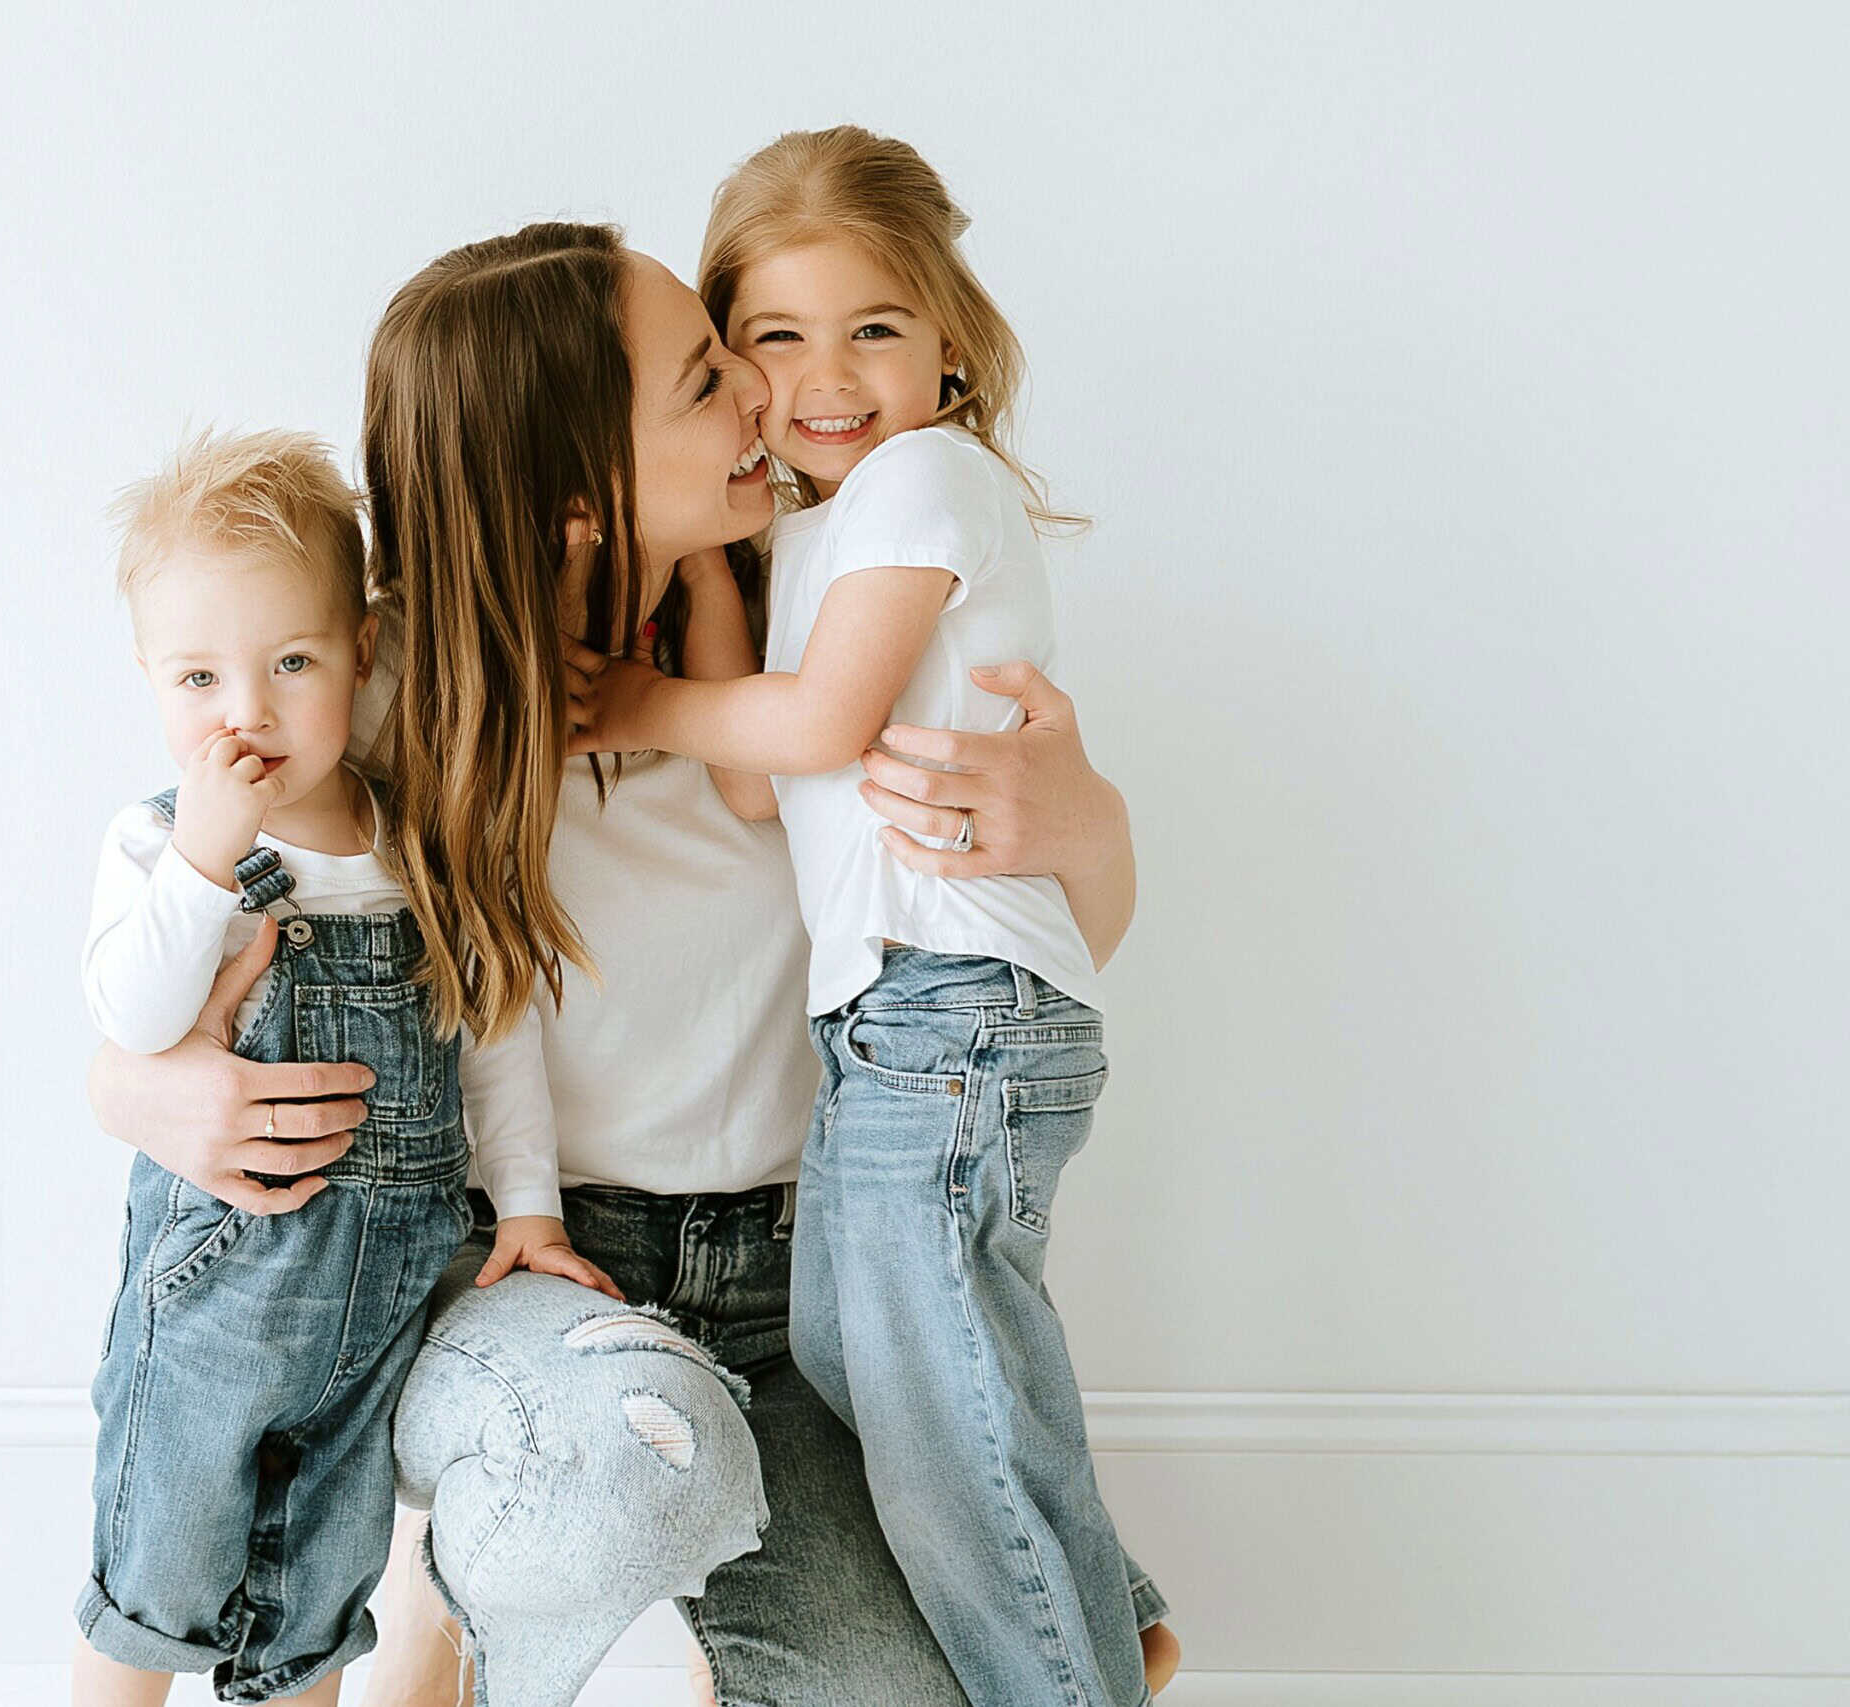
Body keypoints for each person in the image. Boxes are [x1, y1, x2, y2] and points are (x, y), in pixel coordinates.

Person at [90, 225, 1171, 1707]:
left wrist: (1095, 827)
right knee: (619, 1463)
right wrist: (128, 1084)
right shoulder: (389, 690)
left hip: (791, 1283)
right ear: (583, 495)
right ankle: (442, 1612)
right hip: (522, 1273)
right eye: (702, 376)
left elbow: (1020, 968)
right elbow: (178, 884)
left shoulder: (827, 627)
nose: (755, 393)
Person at [575, 126, 1165, 1706]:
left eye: (874, 329)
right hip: (894, 1024)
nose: (824, 373)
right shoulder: (826, 536)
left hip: (950, 1008)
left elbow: (821, 723)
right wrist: (711, 585)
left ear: (951, 341)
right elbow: (768, 792)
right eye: (774, 337)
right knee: (864, 1369)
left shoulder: (926, 476)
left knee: (949, 1424)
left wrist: (631, 695)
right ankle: (1116, 1607)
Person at [73, 429, 614, 1707]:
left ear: (361, 654)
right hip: (216, 1300)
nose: (245, 713)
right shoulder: (159, 843)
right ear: (150, 679)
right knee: (155, 1576)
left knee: (318, 1598)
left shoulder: (417, 845)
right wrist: (209, 856)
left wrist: (527, 1204)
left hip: (379, 1311)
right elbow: (133, 1014)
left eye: (291, 663)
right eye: (198, 677)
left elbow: (497, 1037)